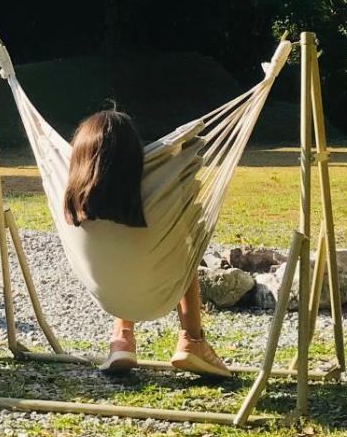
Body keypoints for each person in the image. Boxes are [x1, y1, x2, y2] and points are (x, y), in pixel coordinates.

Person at [62, 108, 230, 377]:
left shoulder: (71, 193)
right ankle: (192, 340)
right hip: (160, 291)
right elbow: (191, 228)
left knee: (119, 251)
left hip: (109, 295)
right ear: (135, 153)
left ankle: (122, 338)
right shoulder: (161, 191)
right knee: (183, 249)